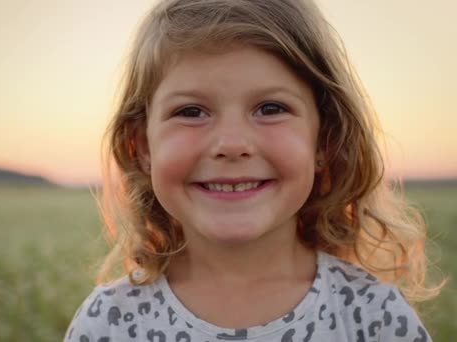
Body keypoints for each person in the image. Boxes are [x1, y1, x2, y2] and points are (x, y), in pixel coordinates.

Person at [64, 0, 442, 340]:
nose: (231, 144)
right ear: (142, 146)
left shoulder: (373, 318)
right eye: (191, 112)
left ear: (324, 139)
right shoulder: (108, 324)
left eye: (270, 108)